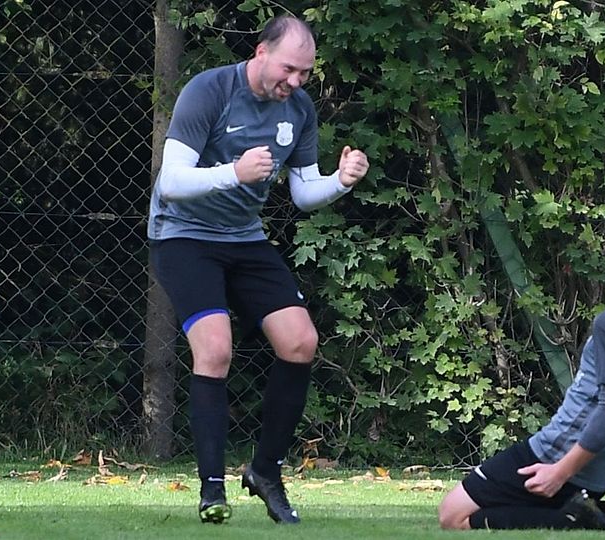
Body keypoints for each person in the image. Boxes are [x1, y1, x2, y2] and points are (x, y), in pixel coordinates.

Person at [147, 15, 369, 525]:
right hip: (182, 235)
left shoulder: (300, 109)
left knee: (300, 341)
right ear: (260, 52)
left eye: (306, 73)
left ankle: (265, 472)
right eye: (289, 69)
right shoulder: (210, 91)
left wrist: (341, 180)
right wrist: (234, 173)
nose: (295, 82)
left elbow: (304, 193)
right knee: (216, 347)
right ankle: (210, 490)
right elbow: (173, 181)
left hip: (243, 237)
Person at [438, 204, 605, 531]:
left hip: (559, 453)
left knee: (453, 515)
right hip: (602, 469)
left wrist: (559, 472)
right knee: (507, 507)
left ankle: (584, 518)